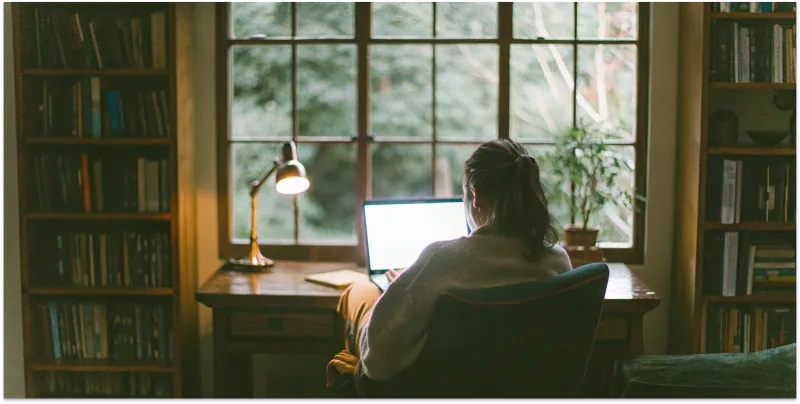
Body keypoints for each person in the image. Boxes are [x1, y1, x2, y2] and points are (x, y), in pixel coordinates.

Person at [326, 139, 573, 387]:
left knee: (361, 292)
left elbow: (378, 364)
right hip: (523, 386)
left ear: (474, 196)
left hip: (434, 387)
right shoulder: (558, 263)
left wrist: (398, 287)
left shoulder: (442, 260)